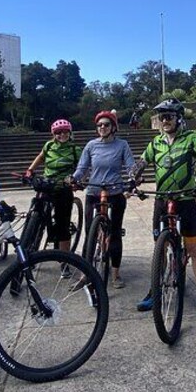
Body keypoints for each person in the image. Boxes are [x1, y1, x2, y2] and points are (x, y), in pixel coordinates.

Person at [132, 98, 196, 319]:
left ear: (179, 118)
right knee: (159, 249)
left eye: (169, 116)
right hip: (162, 200)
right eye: (162, 117)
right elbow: (141, 162)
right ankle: (156, 288)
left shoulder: (191, 138)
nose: (165, 121)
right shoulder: (156, 143)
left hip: (186, 200)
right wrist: (134, 176)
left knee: (194, 250)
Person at [71, 110, 135, 289]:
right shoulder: (91, 145)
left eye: (106, 124)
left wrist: (133, 177)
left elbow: (130, 166)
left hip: (115, 192)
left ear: (113, 127)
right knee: (89, 233)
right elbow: (82, 167)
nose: (102, 127)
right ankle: (85, 273)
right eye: (99, 125)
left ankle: (115, 273)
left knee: (114, 233)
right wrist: (75, 178)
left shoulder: (122, 145)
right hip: (94, 191)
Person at [23, 119, 81, 254]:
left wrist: (76, 180)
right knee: (36, 213)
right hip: (47, 184)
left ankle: (64, 261)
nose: (62, 135)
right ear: (54, 134)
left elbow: (82, 168)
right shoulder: (49, 145)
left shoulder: (75, 149)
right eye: (58, 133)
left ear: (70, 133)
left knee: (63, 225)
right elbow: (41, 157)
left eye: (65, 132)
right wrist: (29, 171)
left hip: (64, 187)